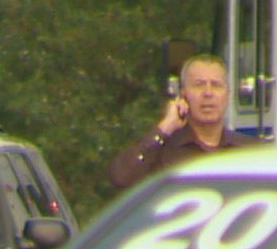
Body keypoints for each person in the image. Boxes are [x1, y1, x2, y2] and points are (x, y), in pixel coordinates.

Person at [108, 53, 256, 189]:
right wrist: (165, 127)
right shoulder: (161, 152)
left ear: (227, 95)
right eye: (199, 85)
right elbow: (122, 178)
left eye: (216, 85)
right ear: (183, 95)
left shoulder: (252, 151)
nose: (208, 93)